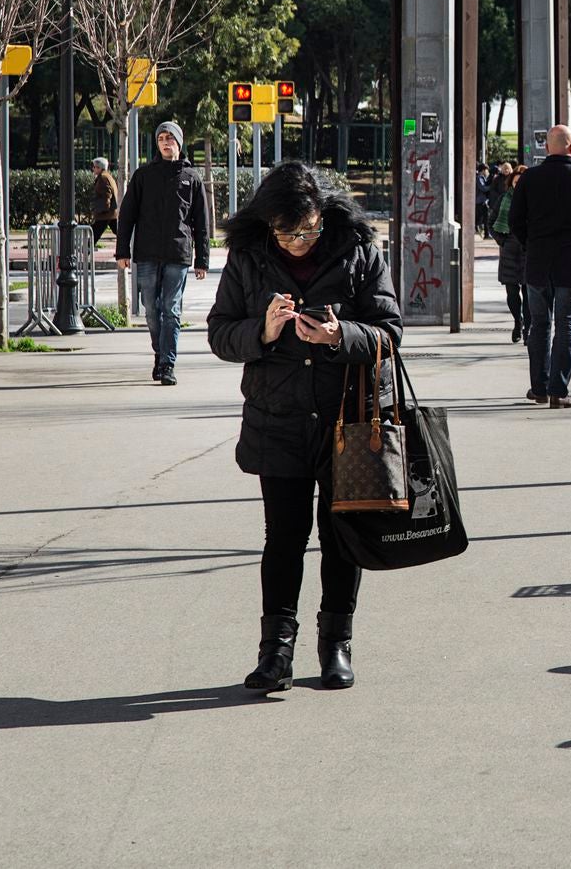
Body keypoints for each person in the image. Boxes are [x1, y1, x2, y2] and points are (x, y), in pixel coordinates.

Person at [207, 161, 402, 694]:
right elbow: (220, 334)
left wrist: (341, 337)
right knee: (284, 538)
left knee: (341, 538)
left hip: (349, 420)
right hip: (279, 420)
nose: (299, 241)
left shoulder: (359, 251)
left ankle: (335, 645)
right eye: (288, 232)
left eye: (309, 229)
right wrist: (262, 332)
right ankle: (276, 652)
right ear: (268, 223)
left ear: (324, 215)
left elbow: (389, 332)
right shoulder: (248, 258)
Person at [507, 125, 571, 408]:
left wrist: (531, 244)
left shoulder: (530, 179)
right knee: (566, 326)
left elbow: (515, 221)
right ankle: (558, 391)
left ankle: (538, 387)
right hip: (570, 263)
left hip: (538, 263)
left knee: (538, 325)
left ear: (547, 147)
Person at [114, 121, 210, 386]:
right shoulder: (144, 175)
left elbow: (201, 222)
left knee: (171, 309)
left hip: (178, 253)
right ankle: (160, 351)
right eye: (161, 139)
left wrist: (202, 259)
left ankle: (168, 364)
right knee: (150, 309)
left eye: (170, 138)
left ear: (179, 142)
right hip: (146, 253)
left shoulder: (192, 177)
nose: (166, 143)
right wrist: (122, 250)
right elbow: (127, 216)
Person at [492, 164, 529, 342]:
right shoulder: (504, 199)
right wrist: (502, 241)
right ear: (511, 182)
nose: (518, 185)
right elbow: (492, 222)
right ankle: (518, 321)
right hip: (509, 251)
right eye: (516, 182)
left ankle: (528, 328)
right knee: (512, 293)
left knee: (529, 293)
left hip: (529, 251)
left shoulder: (535, 200)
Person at [88, 157, 119, 240]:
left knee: (95, 233)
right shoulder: (107, 176)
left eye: (95, 167)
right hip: (110, 212)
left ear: (100, 168)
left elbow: (106, 194)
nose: (93, 169)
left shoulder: (103, 178)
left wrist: (103, 209)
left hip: (105, 213)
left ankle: (86, 250)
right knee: (119, 233)